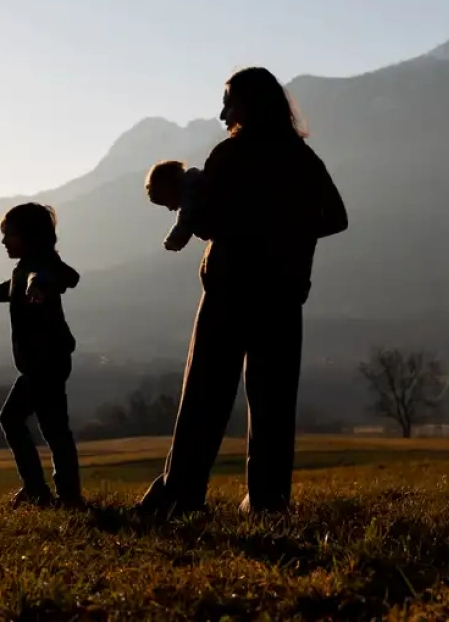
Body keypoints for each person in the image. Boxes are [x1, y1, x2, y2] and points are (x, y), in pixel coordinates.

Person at [137, 66, 348, 519]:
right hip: (283, 295)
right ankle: (269, 501)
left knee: (204, 397)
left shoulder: (229, 156)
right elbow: (335, 217)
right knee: (273, 404)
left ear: (249, 105)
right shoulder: (301, 158)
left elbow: (211, 221)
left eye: (229, 101)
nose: (221, 112)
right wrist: (286, 231)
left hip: (230, 291)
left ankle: (182, 492)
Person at [0, 202, 83, 508]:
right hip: (48, 362)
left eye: (9, 234)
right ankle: (68, 495)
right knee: (54, 428)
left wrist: (38, 286)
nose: (4, 241)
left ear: (30, 236)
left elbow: (56, 276)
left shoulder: (42, 265)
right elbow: (16, 286)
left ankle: (38, 490)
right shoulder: (26, 267)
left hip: (44, 364)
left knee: (11, 418)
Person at [145, 159, 206, 251]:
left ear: (169, 189)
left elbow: (187, 220)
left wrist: (172, 242)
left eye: (166, 202)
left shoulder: (192, 188)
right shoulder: (195, 181)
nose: (170, 208)